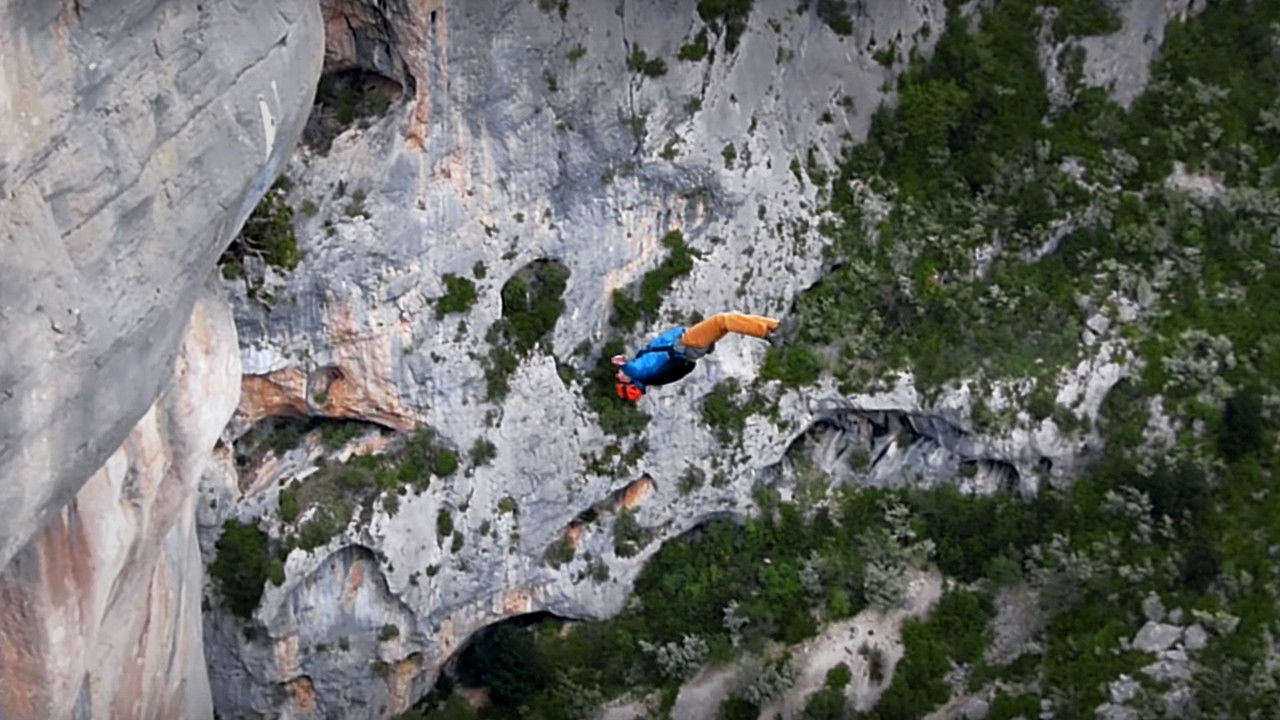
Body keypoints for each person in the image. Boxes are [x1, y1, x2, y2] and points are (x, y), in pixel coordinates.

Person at [613, 313, 781, 401]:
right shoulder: (639, 373)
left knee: (727, 322)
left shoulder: (648, 375)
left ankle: (773, 328)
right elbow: (632, 370)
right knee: (723, 321)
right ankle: (770, 331)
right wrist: (624, 364)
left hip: (689, 349)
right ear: (629, 381)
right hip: (687, 344)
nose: (617, 375)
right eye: (620, 378)